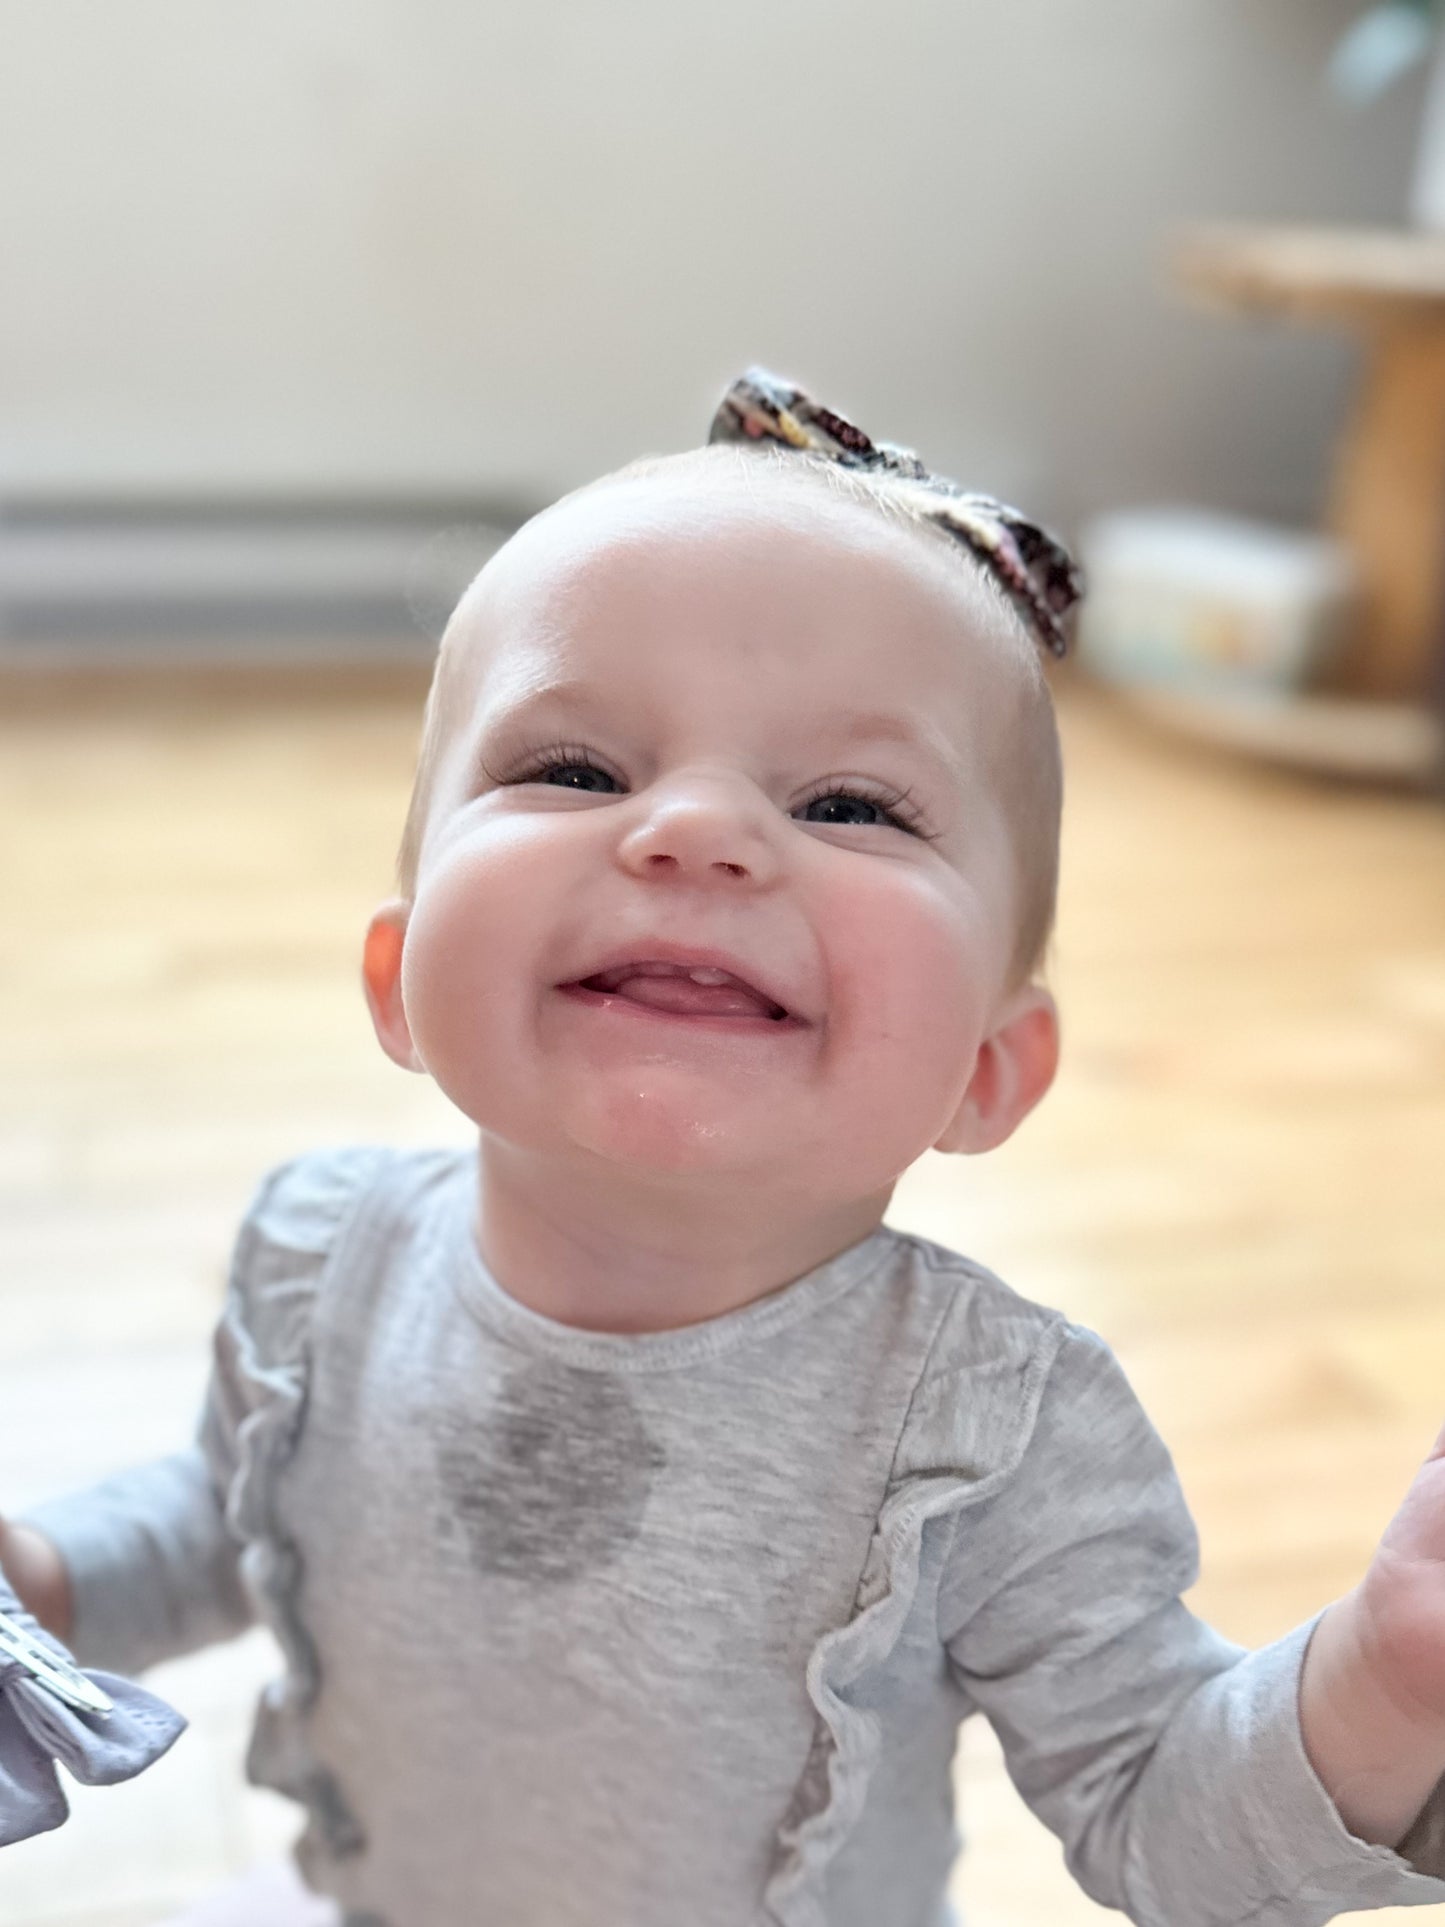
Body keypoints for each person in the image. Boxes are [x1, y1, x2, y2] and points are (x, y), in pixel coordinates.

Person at [3, 371, 1444, 1927]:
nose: (691, 828)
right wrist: (42, 1579)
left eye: (846, 801)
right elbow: (227, 1520)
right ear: (397, 978)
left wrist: (1380, 1676)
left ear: (983, 1070)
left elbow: (1161, 1815)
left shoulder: (978, 1434)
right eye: (574, 771)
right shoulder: (322, 1261)